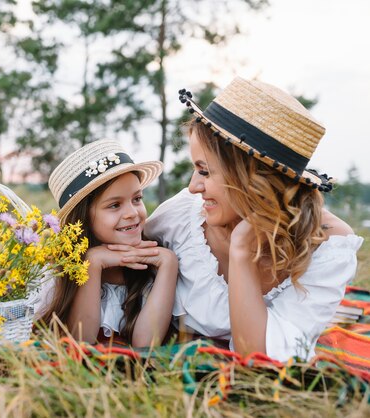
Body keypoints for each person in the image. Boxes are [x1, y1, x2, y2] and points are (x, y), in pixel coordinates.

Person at [144, 77, 363, 361]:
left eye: (205, 171)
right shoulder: (182, 216)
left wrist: (241, 252)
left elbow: (259, 356)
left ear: (251, 180)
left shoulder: (329, 247)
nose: (194, 186)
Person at [36, 139, 178, 347]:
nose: (132, 213)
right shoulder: (59, 271)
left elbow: (145, 346)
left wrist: (169, 264)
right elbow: (80, 342)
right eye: (114, 205)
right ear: (83, 218)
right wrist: (92, 262)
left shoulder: (152, 263)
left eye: (137, 199)